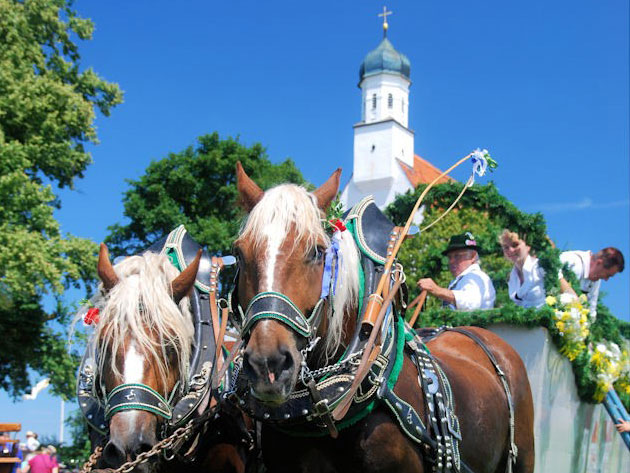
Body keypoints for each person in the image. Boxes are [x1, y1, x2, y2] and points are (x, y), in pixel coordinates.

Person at [417, 232, 496, 310]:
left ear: (473, 256)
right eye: (449, 257)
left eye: (457, 256)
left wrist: (436, 290)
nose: (451, 261)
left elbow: (469, 302)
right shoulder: (461, 279)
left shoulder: (475, 277)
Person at [559, 247, 624, 318]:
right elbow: (551, 270)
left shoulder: (596, 280)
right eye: (607, 275)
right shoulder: (572, 260)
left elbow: (591, 310)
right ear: (599, 262)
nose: (606, 279)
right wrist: (570, 294)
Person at [500, 230, 546, 308]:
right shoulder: (511, 278)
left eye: (515, 245)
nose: (510, 250)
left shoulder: (541, 267)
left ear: (528, 246)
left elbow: (569, 294)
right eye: (506, 247)